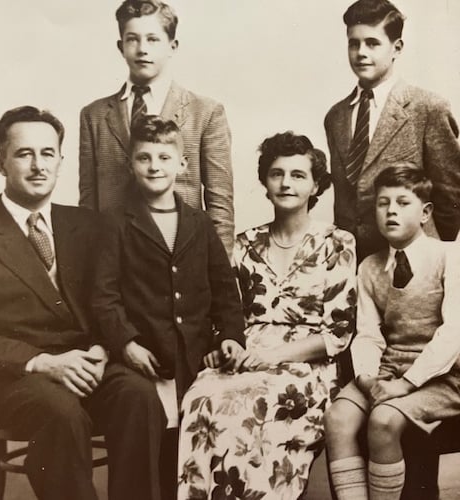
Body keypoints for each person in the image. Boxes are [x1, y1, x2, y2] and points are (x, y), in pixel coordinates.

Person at [0, 106, 164, 500]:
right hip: (17, 377)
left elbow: (114, 304)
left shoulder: (89, 225)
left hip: (88, 363)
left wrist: (101, 348)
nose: (37, 165)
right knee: (60, 413)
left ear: (61, 160)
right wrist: (44, 363)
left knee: (139, 396)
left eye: (47, 153)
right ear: (0, 162)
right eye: (24, 154)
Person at [177, 132, 357, 500]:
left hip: (307, 364)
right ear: (264, 181)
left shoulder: (338, 243)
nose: (286, 183)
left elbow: (337, 333)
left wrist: (273, 357)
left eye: (297, 175)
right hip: (246, 353)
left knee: (258, 402)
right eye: (277, 173)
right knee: (201, 397)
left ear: (315, 185)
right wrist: (222, 344)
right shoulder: (244, 244)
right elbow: (227, 313)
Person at [91, 115, 245, 500]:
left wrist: (230, 336)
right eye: (144, 158)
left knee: (192, 452)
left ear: (182, 164)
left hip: (195, 357)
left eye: (164, 157)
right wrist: (126, 343)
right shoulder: (115, 223)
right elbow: (103, 296)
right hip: (145, 356)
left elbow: (225, 291)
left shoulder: (200, 223)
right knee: (149, 447)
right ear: (130, 164)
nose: (154, 166)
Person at [324, 165, 460, 500]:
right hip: (387, 369)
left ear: (426, 212)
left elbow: (454, 333)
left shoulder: (449, 256)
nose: (391, 211)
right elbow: (368, 333)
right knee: (338, 418)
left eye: (402, 202)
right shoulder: (370, 267)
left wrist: (406, 383)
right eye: (383, 204)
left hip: (442, 376)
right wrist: (368, 377)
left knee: (383, 421)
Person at [79, 0, 235, 256]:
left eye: (153, 39)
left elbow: (220, 204)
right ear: (121, 47)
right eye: (132, 39)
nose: (142, 49)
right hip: (115, 257)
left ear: (172, 46)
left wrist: (221, 270)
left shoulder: (205, 112)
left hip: (181, 256)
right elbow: (88, 201)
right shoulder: (94, 115)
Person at [324, 0, 460, 261]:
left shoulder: (427, 108)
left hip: (413, 261)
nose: (361, 52)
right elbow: (344, 198)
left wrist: (429, 257)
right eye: (354, 43)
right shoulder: (336, 116)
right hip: (353, 261)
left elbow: (450, 198)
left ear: (396, 48)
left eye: (373, 43)